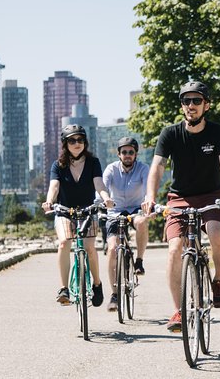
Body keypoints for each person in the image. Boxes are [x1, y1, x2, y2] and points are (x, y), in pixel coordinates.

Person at [141, 81, 220, 332]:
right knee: (175, 248)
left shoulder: (219, 133)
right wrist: (150, 196)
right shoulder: (170, 133)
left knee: (218, 234)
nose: (191, 106)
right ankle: (178, 311)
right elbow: (157, 167)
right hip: (179, 198)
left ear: (206, 105)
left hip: (212, 195)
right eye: (186, 101)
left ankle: (218, 280)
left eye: (196, 101)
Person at [42, 124, 114, 306]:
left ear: (85, 142)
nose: (77, 143)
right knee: (64, 243)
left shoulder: (93, 162)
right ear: (65, 144)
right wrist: (49, 201)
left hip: (88, 210)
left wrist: (106, 198)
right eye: (72, 140)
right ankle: (64, 288)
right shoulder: (58, 165)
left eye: (80, 140)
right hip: (65, 211)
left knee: (90, 248)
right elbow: (54, 186)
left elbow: (99, 184)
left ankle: (97, 284)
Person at [102, 136, 151, 312]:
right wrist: (104, 199)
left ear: (136, 154)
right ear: (119, 154)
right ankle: (114, 294)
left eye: (131, 152)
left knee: (142, 222)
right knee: (113, 249)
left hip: (135, 209)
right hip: (114, 210)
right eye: (124, 152)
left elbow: (147, 188)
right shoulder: (111, 169)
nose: (128, 155)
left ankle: (139, 261)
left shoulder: (143, 168)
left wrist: (147, 202)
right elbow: (103, 188)